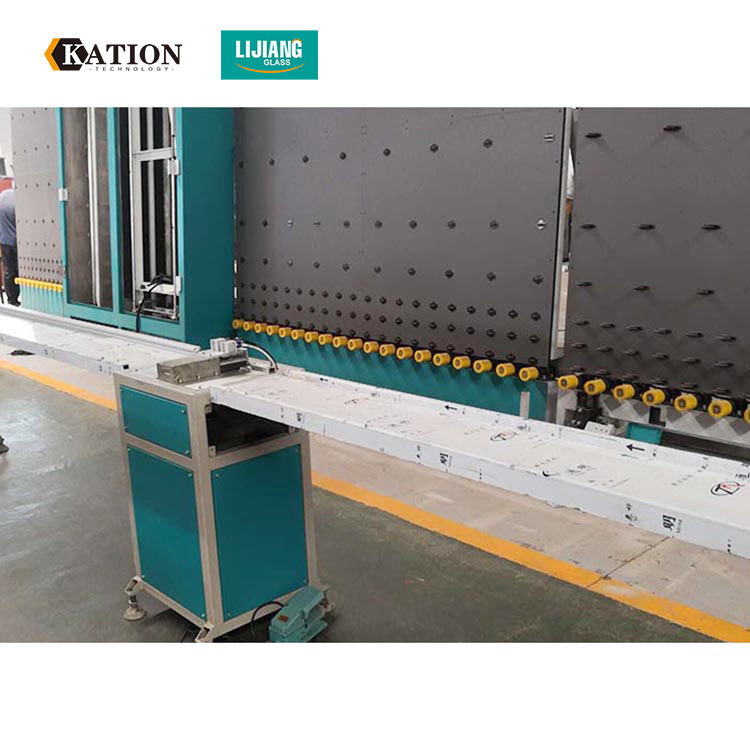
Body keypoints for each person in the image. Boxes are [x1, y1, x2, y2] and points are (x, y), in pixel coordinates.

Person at [0, 187, 19, 306]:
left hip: (4, 240)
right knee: (18, 271)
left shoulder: (3, 196)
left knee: (9, 271)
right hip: (18, 241)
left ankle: (12, 299)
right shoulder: (18, 200)